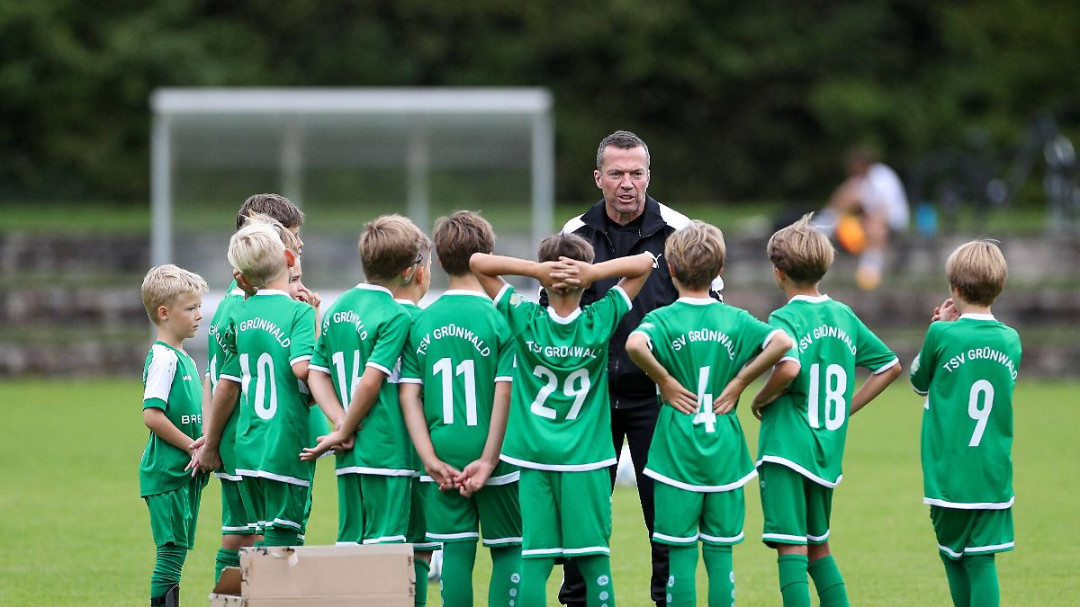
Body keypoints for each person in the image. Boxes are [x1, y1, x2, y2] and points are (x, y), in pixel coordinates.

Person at [553, 129, 719, 607]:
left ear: (649, 175)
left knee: (665, 515)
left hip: (661, 397)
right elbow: (554, 311)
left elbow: (712, 308)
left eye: (636, 173)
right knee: (582, 515)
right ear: (598, 178)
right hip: (589, 398)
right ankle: (579, 601)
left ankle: (667, 600)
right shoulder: (574, 234)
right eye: (617, 173)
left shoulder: (681, 231)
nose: (627, 183)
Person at [470, 234, 654, 607]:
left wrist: (537, 271)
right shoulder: (599, 320)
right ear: (587, 284)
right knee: (594, 561)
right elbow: (646, 262)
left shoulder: (526, 319)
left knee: (535, 562)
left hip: (535, 459)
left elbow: (478, 263)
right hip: (585, 460)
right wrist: (593, 272)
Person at [625, 221, 794, 606]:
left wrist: (664, 379)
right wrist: (740, 381)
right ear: (719, 272)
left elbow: (635, 344)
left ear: (670, 270)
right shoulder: (734, 319)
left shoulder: (663, 319)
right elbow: (782, 341)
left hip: (675, 454)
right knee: (721, 559)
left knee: (680, 560)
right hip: (724, 453)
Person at [752, 214, 902, 607]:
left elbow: (789, 367)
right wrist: (844, 408)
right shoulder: (843, 315)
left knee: (791, 549)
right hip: (826, 449)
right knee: (819, 548)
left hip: (786, 448)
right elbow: (890, 366)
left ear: (778, 272)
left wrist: (760, 398)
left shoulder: (785, 318)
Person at [300, 215, 433, 602]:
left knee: (354, 549)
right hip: (391, 452)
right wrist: (345, 428)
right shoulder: (398, 316)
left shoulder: (340, 308)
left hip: (352, 455)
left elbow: (316, 374)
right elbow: (372, 381)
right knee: (401, 555)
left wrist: (340, 422)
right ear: (411, 271)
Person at [398, 211, 523, 607]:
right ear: (488, 256)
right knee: (508, 548)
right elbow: (505, 393)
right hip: (497, 450)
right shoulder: (503, 318)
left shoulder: (422, 321)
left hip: (442, 450)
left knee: (454, 550)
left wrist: (429, 457)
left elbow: (409, 397)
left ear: (436, 260)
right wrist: (489, 458)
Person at [203, 194, 307, 581]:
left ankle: (229, 600)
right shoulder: (255, 309)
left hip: (237, 435)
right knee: (259, 538)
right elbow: (228, 383)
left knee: (241, 535)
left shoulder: (234, 306)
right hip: (251, 436)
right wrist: (211, 441)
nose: (299, 247)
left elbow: (211, 377)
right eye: (293, 238)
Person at [910, 241, 1020, 607]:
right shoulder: (1011, 340)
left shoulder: (942, 334)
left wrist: (940, 326)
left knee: (952, 555)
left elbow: (918, 381)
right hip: (992, 472)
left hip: (948, 474)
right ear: (998, 287)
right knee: (982, 558)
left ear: (954, 289)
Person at [138, 264, 210, 607]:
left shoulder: (182, 357)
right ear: (164, 313)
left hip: (185, 471)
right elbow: (152, 415)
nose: (199, 315)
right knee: (170, 556)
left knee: (177, 553)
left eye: (199, 306)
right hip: (168, 472)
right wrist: (193, 446)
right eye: (190, 308)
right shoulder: (163, 359)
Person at [820, 146, 911, 290]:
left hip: (892, 221)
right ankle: (822, 225)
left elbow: (884, 212)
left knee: (875, 228)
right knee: (848, 192)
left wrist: (868, 220)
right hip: (870, 218)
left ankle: (870, 270)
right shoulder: (860, 180)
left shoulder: (882, 177)